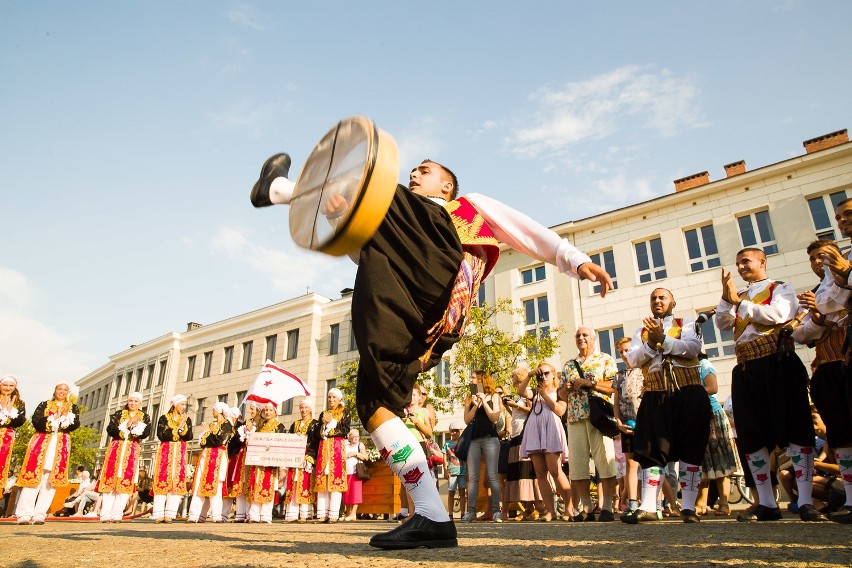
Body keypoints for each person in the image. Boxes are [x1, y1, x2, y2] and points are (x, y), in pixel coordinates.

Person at [251, 151, 611, 548]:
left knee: (384, 195)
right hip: (408, 310)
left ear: (446, 185)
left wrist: (575, 260)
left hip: (438, 269)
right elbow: (364, 256)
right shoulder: (395, 216)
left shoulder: (465, 206)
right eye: (414, 171)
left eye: (424, 171)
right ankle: (431, 515)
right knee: (374, 404)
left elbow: (524, 230)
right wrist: (339, 212)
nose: (414, 174)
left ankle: (281, 190)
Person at [715, 248, 826, 522]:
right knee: (752, 433)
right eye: (738, 263)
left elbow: (777, 315)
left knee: (796, 428)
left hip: (779, 361)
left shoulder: (781, 287)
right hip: (746, 368)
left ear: (762, 262)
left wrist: (738, 303)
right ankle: (766, 502)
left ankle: (806, 500)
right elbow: (722, 321)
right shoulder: (737, 296)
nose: (741, 267)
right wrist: (726, 298)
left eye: (746, 261)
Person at [620, 288, 710, 524]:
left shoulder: (688, 323)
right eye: (653, 298)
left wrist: (664, 340)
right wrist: (651, 344)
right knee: (651, 450)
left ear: (673, 302)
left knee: (691, 448)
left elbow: (693, 349)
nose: (657, 301)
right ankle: (649, 505)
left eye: (662, 298)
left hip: (687, 391)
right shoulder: (640, 331)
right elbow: (632, 359)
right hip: (656, 393)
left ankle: (688, 507)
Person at [806, 231, 852, 523]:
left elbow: (838, 305)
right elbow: (803, 333)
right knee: (841, 435)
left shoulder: (844, 275)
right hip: (826, 366)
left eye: (821, 255)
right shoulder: (815, 289)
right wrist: (820, 319)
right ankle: (850, 497)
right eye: (812, 258)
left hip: (846, 360)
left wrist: (820, 316)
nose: (816, 261)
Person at [561, 327, 618, 522]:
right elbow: (561, 395)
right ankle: (587, 507)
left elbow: (613, 386)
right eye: (578, 335)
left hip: (599, 417)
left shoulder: (604, 359)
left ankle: (608, 506)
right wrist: (567, 389)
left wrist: (590, 384)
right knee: (577, 465)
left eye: (585, 335)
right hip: (575, 417)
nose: (581, 338)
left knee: (605, 461)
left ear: (594, 338)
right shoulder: (569, 364)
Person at [15, 381, 80, 524]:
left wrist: (65, 417)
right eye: (59, 389)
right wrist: (55, 416)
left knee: (50, 481)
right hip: (42, 442)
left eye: (65, 390)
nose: (62, 392)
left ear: (68, 392)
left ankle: (40, 513)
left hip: (60, 444)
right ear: (55, 390)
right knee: (33, 478)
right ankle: (24, 513)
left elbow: (75, 424)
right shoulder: (44, 404)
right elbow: (36, 421)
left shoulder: (73, 407)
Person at [518, 362, 573, 522]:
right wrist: (529, 375)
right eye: (540, 374)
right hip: (535, 430)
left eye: (547, 373)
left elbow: (560, 410)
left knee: (555, 471)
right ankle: (550, 511)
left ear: (554, 374)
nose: (544, 376)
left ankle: (569, 508)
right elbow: (520, 391)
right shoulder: (535, 392)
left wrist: (545, 395)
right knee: (541, 473)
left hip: (551, 430)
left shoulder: (559, 391)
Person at [694, 353, 740, 516]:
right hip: (696, 416)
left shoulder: (704, 364)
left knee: (720, 460)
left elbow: (713, 387)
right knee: (703, 460)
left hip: (712, 415)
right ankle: (702, 502)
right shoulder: (684, 367)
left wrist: (692, 394)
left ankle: (724, 502)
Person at [97, 392, 151, 523]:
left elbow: (146, 432)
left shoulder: (144, 417)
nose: (133, 403)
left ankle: (117, 514)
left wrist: (136, 427)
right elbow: (110, 429)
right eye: (131, 400)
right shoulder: (119, 414)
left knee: (125, 482)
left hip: (131, 449)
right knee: (110, 480)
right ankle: (105, 513)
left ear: (140, 403)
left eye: (136, 401)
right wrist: (125, 427)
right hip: (116, 448)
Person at [461, 370, 503, 522]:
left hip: (490, 438)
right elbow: (467, 420)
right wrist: (475, 404)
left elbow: (494, 418)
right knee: (473, 477)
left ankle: (497, 511)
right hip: (473, 440)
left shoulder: (494, 396)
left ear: (481, 379)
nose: (470, 379)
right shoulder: (469, 398)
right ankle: (471, 512)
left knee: (492, 475)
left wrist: (484, 401)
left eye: (473, 377)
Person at [504, 370, 542, 521]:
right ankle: (528, 508)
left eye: (513, 376)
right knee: (519, 472)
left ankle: (537, 507)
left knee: (526, 470)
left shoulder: (527, 393)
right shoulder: (517, 395)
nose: (512, 378)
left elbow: (532, 410)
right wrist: (509, 406)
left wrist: (515, 405)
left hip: (524, 432)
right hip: (515, 433)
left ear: (519, 377)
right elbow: (515, 413)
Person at [187, 401, 233, 523]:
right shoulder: (212, 424)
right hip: (206, 456)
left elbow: (219, 440)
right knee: (198, 485)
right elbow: (202, 442)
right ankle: (194, 514)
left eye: (213, 409)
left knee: (216, 485)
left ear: (219, 411)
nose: (212, 411)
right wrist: (207, 434)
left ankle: (216, 515)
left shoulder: (227, 424)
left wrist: (207, 433)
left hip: (218, 456)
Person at [612, 338, 643, 514]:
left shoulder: (644, 371)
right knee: (631, 464)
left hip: (644, 423)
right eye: (621, 352)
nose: (625, 355)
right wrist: (618, 421)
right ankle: (632, 503)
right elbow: (616, 402)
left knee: (649, 463)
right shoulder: (619, 375)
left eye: (627, 350)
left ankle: (655, 502)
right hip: (627, 426)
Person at [151, 394, 193, 523]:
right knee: (163, 479)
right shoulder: (164, 418)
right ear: (175, 405)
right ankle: (158, 513)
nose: (184, 407)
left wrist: (182, 428)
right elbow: (161, 434)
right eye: (182, 404)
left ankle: (170, 513)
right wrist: (177, 428)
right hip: (166, 451)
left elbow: (189, 436)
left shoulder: (187, 419)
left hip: (180, 452)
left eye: (185, 405)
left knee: (177, 481)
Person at [313, 388, 350, 523]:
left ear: (340, 399)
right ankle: (322, 513)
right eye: (329, 397)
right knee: (323, 480)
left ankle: (334, 513)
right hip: (323, 448)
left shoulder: (345, 412)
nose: (331, 400)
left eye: (334, 397)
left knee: (335, 480)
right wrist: (323, 425)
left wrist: (331, 425)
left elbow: (345, 429)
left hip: (337, 448)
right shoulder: (324, 413)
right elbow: (316, 433)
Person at [246, 402, 286, 523]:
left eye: (270, 410)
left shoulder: (280, 426)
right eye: (266, 410)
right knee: (256, 484)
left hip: (271, 462)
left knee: (269, 486)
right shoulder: (261, 425)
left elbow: (282, 445)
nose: (268, 412)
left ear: (275, 412)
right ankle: (254, 514)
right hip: (258, 460)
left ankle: (265, 515)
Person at [284, 399, 319, 523]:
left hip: (307, 456)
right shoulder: (295, 424)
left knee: (305, 483)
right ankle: (292, 514)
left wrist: (310, 456)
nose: (303, 410)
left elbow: (315, 442)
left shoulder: (315, 424)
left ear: (310, 409)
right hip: (295, 456)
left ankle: (304, 513)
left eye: (305, 408)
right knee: (293, 482)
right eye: (301, 408)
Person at [224, 403, 256, 522]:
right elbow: (237, 439)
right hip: (243, 455)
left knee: (250, 484)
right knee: (241, 483)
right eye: (250, 409)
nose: (251, 412)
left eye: (253, 409)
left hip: (254, 456)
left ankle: (250, 513)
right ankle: (241, 513)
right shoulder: (245, 423)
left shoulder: (259, 423)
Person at [0, 376, 26, 496]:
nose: (7, 388)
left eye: (11, 386)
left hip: (7, 436)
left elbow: (20, 420)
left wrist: (9, 411)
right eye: (5, 385)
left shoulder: (19, 403)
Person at [442, 421, 467, 519]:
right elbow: (444, 459)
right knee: (451, 492)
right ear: (449, 431)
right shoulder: (447, 444)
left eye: (456, 431)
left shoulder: (463, 443)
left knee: (462, 492)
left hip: (462, 471)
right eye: (453, 431)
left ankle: (463, 514)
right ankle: (450, 514)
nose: (455, 433)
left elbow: (467, 457)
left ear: (460, 431)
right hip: (452, 472)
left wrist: (468, 471)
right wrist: (445, 470)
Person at [343, 428, 368, 521]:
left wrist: (354, 454)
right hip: (346, 471)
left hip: (355, 472)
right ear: (349, 437)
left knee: (355, 492)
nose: (356, 438)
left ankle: (353, 513)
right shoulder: (345, 445)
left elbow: (366, 457)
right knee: (347, 493)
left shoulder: (360, 445)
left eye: (357, 436)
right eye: (353, 436)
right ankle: (348, 513)